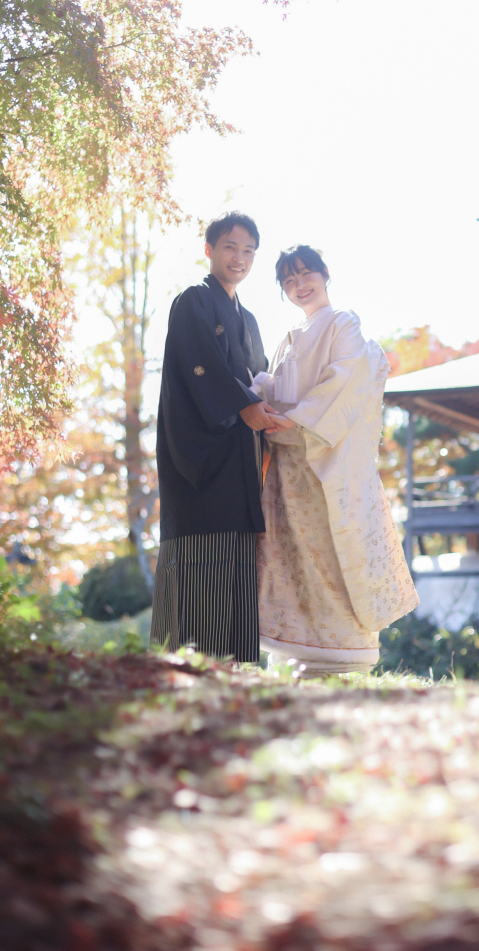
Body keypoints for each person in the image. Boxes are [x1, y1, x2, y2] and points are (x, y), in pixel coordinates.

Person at [252, 244, 419, 674]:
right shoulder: (287, 339)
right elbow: (275, 389)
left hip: (325, 457)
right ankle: (299, 652)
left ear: (325, 275)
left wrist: (298, 420)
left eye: (305, 274)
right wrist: (260, 396)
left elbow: (345, 378)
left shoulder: (343, 323)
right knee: (293, 557)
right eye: (288, 281)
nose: (299, 285)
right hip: (290, 465)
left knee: (332, 553)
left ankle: (343, 655)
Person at [151, 212, 293, 661]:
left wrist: (269, 407)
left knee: (237, 555)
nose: (240, 258)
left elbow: (262, 376)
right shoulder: (193, 301)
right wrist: (244, 406)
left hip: (240, 456)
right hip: (200, 456)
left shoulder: (247, 319)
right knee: (201, 551)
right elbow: (200, 367)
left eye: (249, 250)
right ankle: (189, 663)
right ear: (209, 250)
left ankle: (236, 666)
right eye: (230, 247)